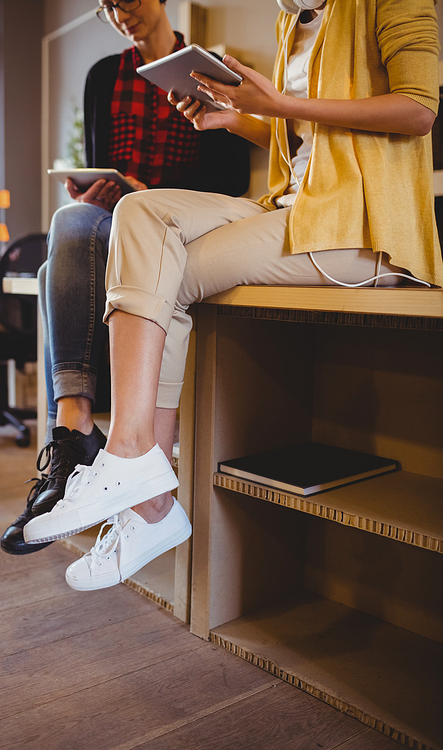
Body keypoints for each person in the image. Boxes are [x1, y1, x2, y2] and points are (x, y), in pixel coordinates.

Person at [23, 0, 443, 590]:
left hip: (359, 226)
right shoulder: (292, 16)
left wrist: (279, 104)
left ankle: (144, 496)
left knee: (166, 270)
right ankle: (135, 466)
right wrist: (233, 117)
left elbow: (420, 110)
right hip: (292, 209)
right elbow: (299, 133)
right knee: (138, 212)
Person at [0, 0, 250, 556]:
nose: (121, 14)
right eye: (108, 6)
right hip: (115, 219)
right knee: (72, 218)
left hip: (179, 221)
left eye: (129, 0)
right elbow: (98, 159)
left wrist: (143, 188)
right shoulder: (102, 78)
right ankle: (73, 429)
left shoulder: (208, 70)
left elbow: (231, 178)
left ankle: (76, 443)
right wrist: (99, 187)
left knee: (49, 270)